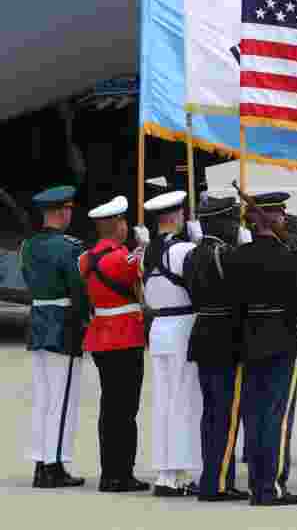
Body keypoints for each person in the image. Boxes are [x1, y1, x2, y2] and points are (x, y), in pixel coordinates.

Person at [223, 191, 297, 506]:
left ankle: (257, 482)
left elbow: (233, 304)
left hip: (248, 341)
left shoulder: (237, 256)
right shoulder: (291, 257)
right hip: (280, 342)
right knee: (277, 416)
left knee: (256, 414)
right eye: (283, 215)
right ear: (275, 220)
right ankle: (269, 487)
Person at [78, 195, 149, 492]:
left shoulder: (84, 258)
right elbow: (143, 275)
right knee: (125, 410)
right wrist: (144, 245)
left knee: (110, 409)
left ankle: (110, 471)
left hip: (100, 335)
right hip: (126, 336)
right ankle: (121, 474)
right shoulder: (125, 257)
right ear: (118, 225)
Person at [182, 197, 251, 502]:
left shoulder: (193, 254)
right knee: (225, 414)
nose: (237, 226)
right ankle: (218, 483)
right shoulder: (227, 255)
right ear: (223, 223)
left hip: (203, 334)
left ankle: (211, 476)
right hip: (226, 338)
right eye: (234, 221)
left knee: (211, 414)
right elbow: (241, 299)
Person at [22, 185, 90, 488]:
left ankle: (41, 461)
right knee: (63, 400)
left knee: (43, 399)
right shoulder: (70, 247)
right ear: (63, 212)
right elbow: (79, 290)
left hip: (37, 323)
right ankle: (55, 466)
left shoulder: (28, 246)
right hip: (63, 325)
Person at [141, 190, 205, 496]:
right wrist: (200, 244)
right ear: (179, 217)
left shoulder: (146, 252)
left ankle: (166, 473)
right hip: (183, 326)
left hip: (159, 328)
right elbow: (204, 286)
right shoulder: (185, 251)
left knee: (164, 402)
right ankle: (178, 474)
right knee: (183, 402)